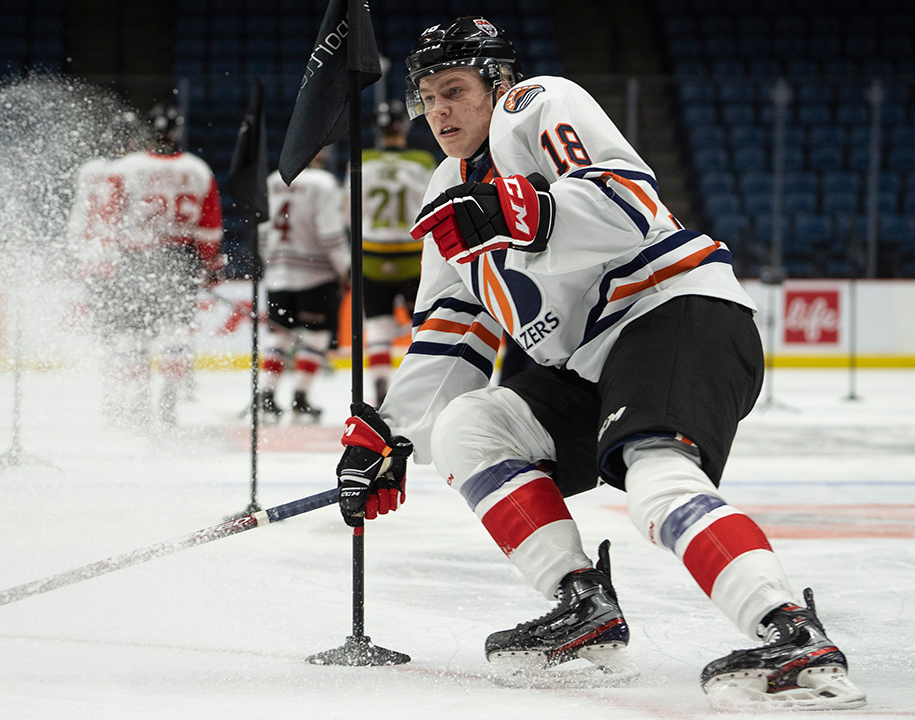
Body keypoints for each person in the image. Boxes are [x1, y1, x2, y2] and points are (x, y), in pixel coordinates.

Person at [332, 17, 864, 710]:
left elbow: (628, 203)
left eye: (455, 90)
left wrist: (519, 211)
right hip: (588, 361)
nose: (439, 111)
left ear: (499, 84)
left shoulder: (537, 105)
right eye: (428, 96)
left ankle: (793, 634)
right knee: (467, 426)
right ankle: (583, 607)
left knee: (655, 478)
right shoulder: (443, 191)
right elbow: (453, 327)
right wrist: (390, 435)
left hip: (672, 312)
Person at [95, 104, 222, 427]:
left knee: (134, 335)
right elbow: (209, 226)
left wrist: (106, 258)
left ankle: (138, 397)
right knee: (175, 333)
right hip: (180, 258)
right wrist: (209, 261)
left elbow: (107, 217)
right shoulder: (198, 169)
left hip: (135, 259)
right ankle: (169, 394)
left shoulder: (125, 168)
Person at [256, 146, 350, 423]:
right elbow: (330, 232)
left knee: (278, 335)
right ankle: (300, 398)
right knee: (315, 336)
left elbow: (262, 229)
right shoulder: (323, 183)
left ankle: (267, 396)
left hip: (277, 271)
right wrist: (343, 267)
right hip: (316, 274)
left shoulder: (274, 179)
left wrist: (270, 261)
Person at [354, 100, 436, 405]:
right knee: (425, 326)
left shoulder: (364, 160)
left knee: (378, 328)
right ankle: (426, 384)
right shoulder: (422, 160)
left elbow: (346, 210)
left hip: (372, 256)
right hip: (414, 257)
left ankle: (380, 384)